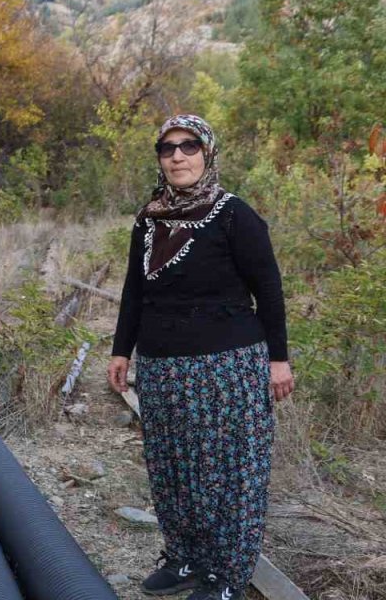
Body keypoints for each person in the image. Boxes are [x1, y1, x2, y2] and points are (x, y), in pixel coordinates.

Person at [106, 114, 295, 600]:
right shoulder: (149, 219)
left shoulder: (236, 215)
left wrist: (279, 359)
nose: (177, 156)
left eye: (189, 146)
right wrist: (121, 349)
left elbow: (269, 291)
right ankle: (185, 558)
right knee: (172, 468)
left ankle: (226, 576)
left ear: (207, 153)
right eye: (167, 148)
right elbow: (134, 290)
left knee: (228, 473)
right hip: (162, 366)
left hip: (227, 366)